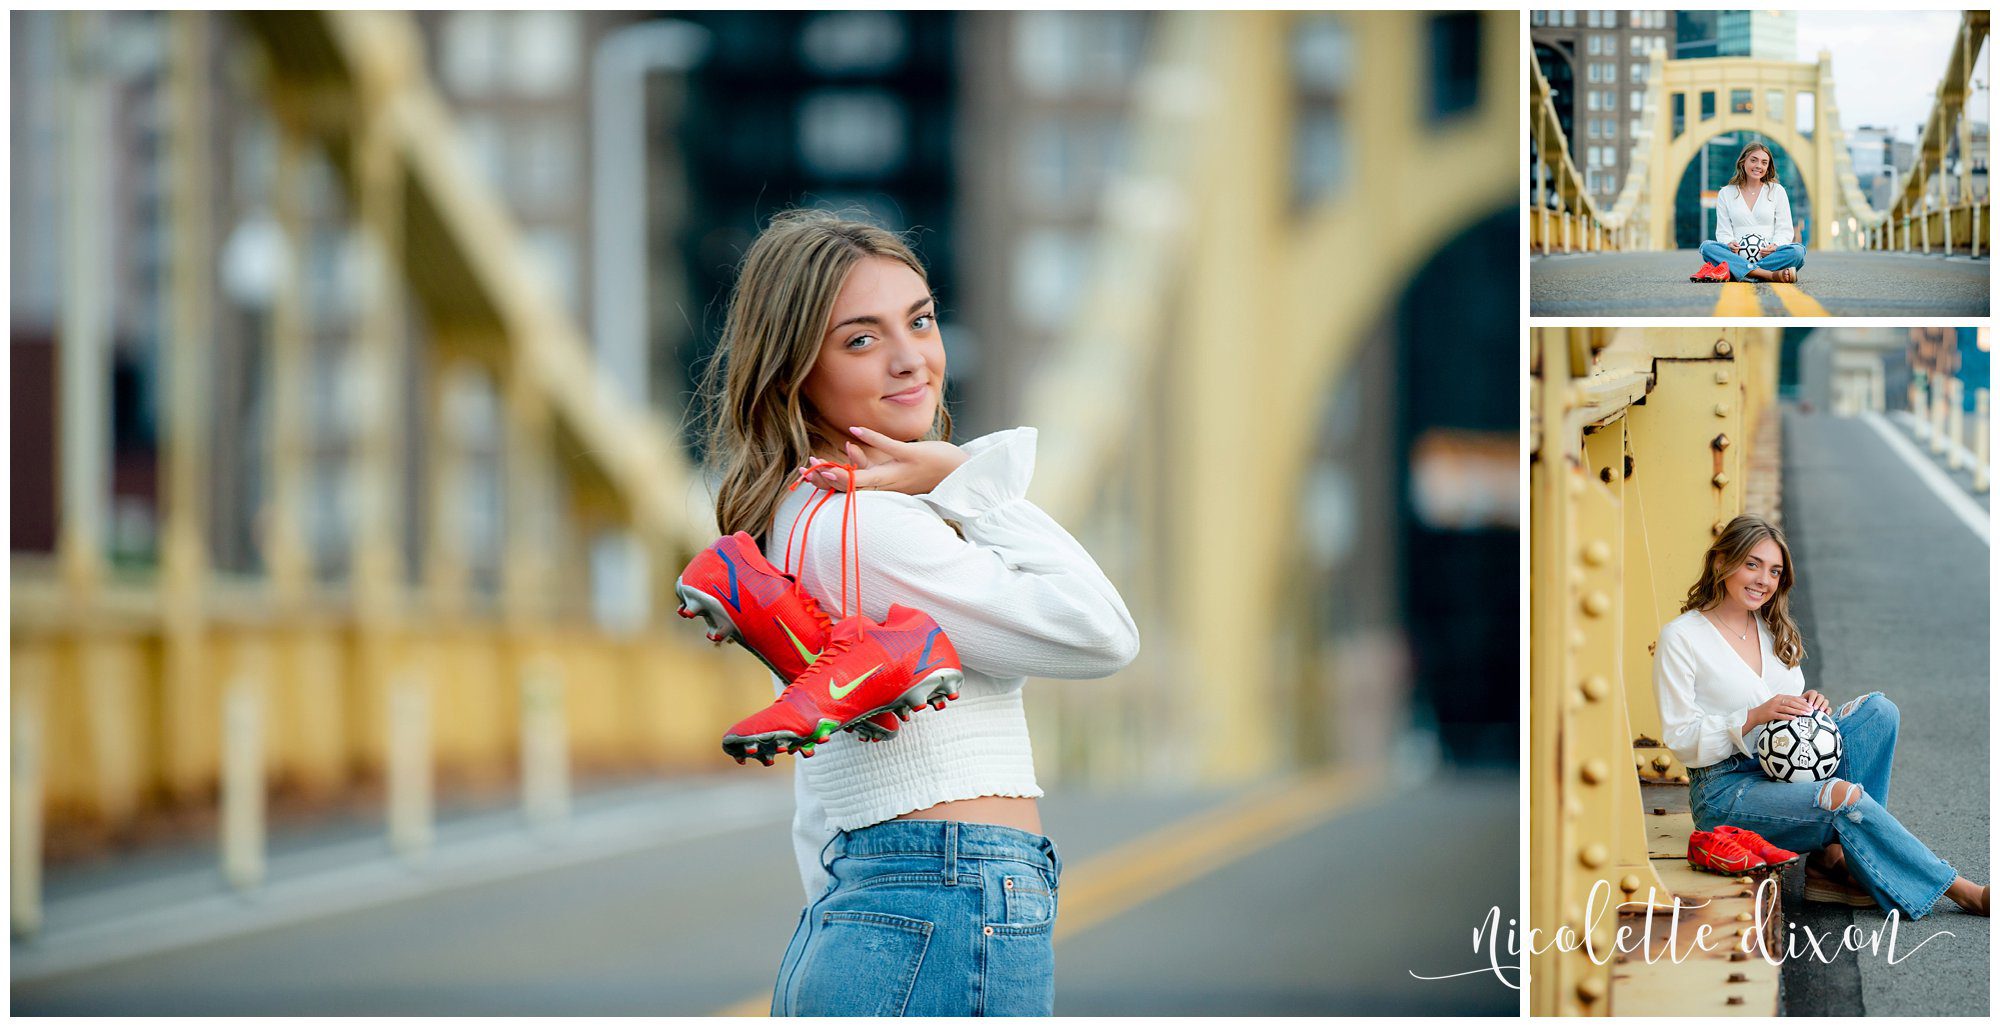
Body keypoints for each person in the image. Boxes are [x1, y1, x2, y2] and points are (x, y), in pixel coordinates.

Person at [696, 208, 1141, 1015]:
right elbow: (1102, 631)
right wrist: (968, 481)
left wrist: (853, 916)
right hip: (944, 899)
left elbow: (821, 794)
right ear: (797, 370)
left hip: (888, 912)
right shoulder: (869, 526)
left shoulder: (813, 520)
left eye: (921, 320)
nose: (911, 360)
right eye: (861, 339)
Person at [1653, 515, 1987, 919]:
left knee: (1878, 712)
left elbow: (1789, 720)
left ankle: (1835, 860)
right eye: (1752, 564)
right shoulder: (1683, 637)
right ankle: (1961, 890)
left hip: (1784, 769)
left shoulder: (1772, 628)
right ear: (1723, 561)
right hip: (1726, 789)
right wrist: (1752, 716)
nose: (1763, 580)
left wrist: (1810, 705)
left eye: (1774, 571)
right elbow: (1681, 738)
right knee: (1843, 797)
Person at [1691, 143, 1806, 284]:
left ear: (1768, 167)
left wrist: (1775, 245)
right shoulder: (1725, 193)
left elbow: (1785, 229)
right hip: (1736, 254)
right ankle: (1768, 275)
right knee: (1707, 247)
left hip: (1769, 256)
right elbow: (1723, 231)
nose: (1758, 165)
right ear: (1742, 162)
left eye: (1764, 162)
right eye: (1753, 160)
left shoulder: (1777, 191)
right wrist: (1729, 243)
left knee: (1798, 252)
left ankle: (1735, 272)